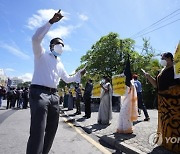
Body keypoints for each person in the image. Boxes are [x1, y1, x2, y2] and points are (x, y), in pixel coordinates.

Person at [26, 10, 85, 154]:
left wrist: (79, 74)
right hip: (39, 93)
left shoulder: (60, 63)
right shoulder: (41, 54)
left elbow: (67, 79)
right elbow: (35, 38)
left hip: (54, 97)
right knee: (38, 131)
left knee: (52, 130)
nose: (61, 46)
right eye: (58, 44)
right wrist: (51, 22)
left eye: (63, 45)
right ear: (51, 46)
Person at [144, 52, 180, 153]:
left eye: (163, 58)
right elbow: (156, 85)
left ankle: (174, 145)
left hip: (172, 102)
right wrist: (148, 77)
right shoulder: (161, 71)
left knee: (173, 122)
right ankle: (165, 141)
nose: (161, 60)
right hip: (162, 101)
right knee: (164, 122)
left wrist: (169, 91)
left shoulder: (176, 69)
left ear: (169, 58)